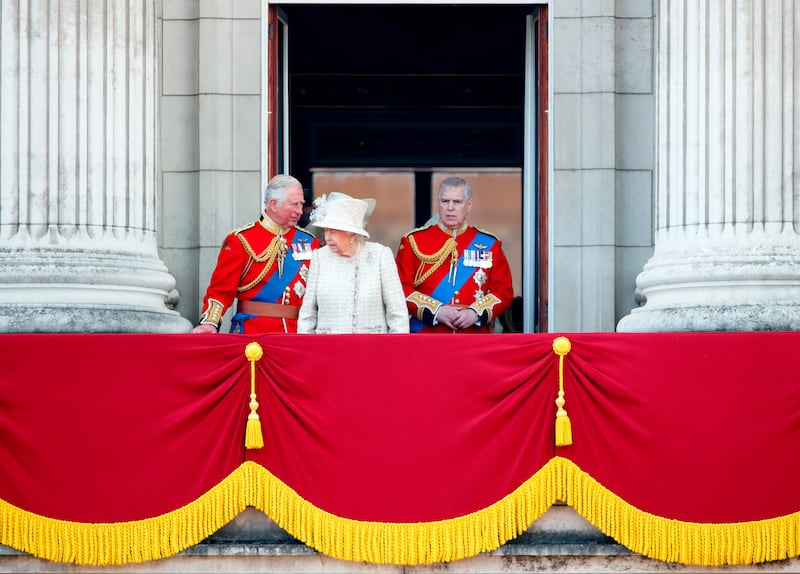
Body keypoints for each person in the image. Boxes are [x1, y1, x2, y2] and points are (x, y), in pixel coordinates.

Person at [192, 174, 319, 334]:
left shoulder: (308, 241)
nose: (300, 211)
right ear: (273, 204)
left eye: (301, 204)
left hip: (298, 334)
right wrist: (210, 322)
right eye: (294, 204)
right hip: (254, 333)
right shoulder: (241, 240)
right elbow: (220, 291)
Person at [395, 177, 513, 333]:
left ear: (469, 205)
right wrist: (437, 311)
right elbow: (400, 289)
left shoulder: (489, 244)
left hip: (473, 337)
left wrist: (475, 313)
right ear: (439, 204)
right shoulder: (413, 241)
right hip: (427, 337)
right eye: (445, 201)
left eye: (457, 202)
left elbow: (503, 291)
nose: (450, 207)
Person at [297, 193, 409, 334]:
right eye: (326, 231)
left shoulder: (380, 256)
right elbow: (307, 315)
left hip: (372, 350)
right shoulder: (320, 257)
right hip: (327, 350)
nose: (327, 237)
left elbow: (397, 314)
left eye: (333, 231)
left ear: (352, 233)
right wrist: (307, 352)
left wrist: (394, 352)